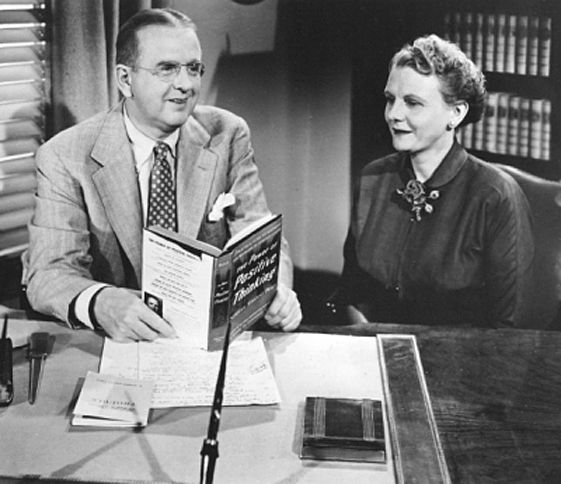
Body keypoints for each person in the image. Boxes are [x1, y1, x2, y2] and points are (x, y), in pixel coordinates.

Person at [25, 7, 301, 341]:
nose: (186, 85)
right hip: (115, 342)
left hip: (205, 342)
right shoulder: (65, 155)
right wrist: (101, 301)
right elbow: (49, 272)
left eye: (194, 69)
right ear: (126, 79)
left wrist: (276, 290)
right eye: (167, 69)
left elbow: (259, 235)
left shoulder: (227, 134)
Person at [332, 34, 534, 328]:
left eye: (413, 103)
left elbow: (508, 328)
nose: (393, 115)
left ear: (456, 112)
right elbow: (350, 293)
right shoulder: (373, 179)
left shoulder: (496, 195)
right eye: (391, 100)